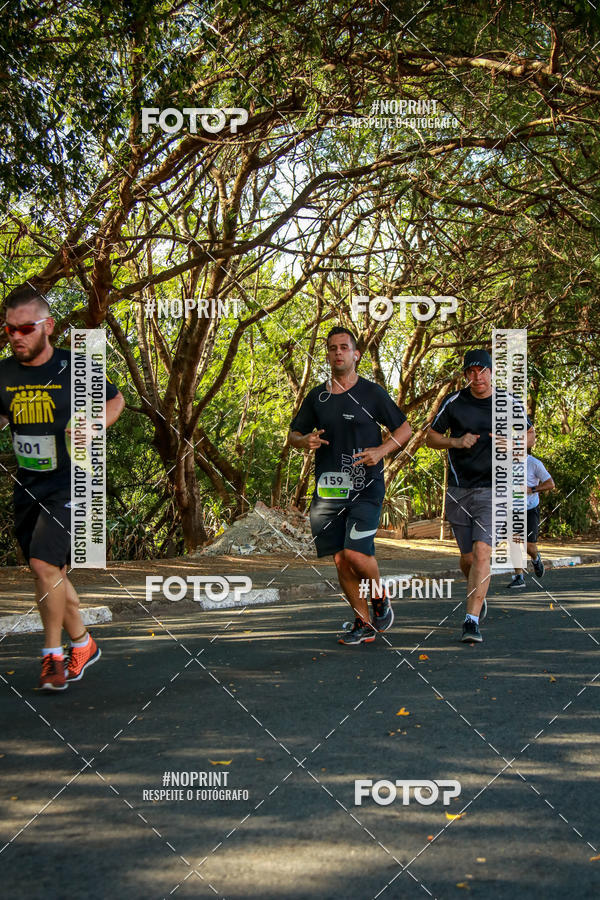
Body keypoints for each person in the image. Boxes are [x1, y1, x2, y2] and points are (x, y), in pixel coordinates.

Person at [0, 287, 125, 690]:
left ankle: (52, 657)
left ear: (48, 326)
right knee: (49, 573)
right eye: (9, 329)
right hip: (28, 483)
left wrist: (96, 424)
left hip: (74, 481)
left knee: (42, 566)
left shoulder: (76, 366)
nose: (16, 336)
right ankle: (83, 643)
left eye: (24, 328)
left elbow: (115, 399)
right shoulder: (3, 374)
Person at [288, 327, 411, 645]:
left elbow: (405, 429)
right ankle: (363, 622)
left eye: (344, 347)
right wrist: (305, 440)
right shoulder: (318, 396)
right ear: (328, 355)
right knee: (340, 559)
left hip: (365, 487)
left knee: (356, 554)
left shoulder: (373, 393)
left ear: (356, 354)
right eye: (332, 348)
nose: (338, 352)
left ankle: (380, 597)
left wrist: (381, 450)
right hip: (329, 489)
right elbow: (293, 436)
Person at [426, 349, 535, 643]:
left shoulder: (507, 401)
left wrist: (511, 443)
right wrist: (456, 441)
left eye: (483, 370)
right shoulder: (454, 402)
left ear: (491, 372)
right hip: (459, 489)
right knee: (468, 558)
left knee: (483, 552)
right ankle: (478, 590)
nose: (478, 377)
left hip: (494, 489)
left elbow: (530, 436)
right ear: (466, 375)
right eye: (472, 371)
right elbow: (430, 437)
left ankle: (471, 621)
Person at [507, 453, 554, 589]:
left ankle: (535, 558)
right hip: (512, 509)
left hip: (530, 509)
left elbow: (550, 484)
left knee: (529, 547)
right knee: (514, 542)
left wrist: (531, 489)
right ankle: (519, 577)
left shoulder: (534, 463)